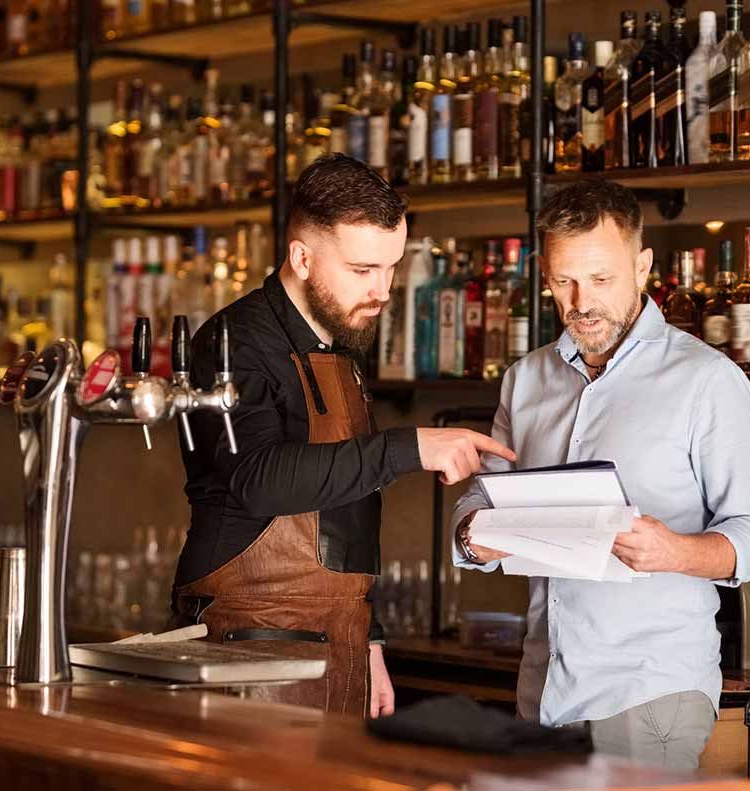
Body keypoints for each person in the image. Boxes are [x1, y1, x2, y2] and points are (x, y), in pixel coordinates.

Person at [173, 154, 516, 718]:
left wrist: (367, 633)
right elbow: (258, 480)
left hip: (338, 636)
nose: (382, 290)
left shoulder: (339, 345)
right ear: (301, 257)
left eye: (391, 268)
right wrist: (412, 447)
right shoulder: (233, 342)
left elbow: (343, 513)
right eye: (362, 270)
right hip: (247, 643)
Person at [451, 180, 750, 768]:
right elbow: (482, 493)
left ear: (643, 265)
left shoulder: (706, 380)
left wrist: (676, 551)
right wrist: (470, 535)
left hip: (647, 691)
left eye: (601, 279)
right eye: (563, 281)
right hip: (544, 689)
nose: (582, 301)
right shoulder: (525, 381)